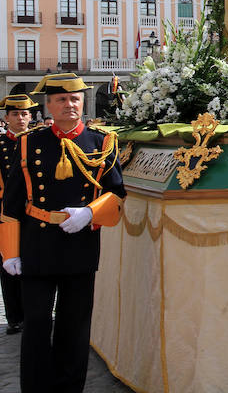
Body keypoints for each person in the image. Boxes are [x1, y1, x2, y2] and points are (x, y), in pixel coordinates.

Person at [0, 73, 126, 392]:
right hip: (37, 243)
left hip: (79, 244)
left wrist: (90, 213)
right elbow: (12, 200)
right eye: (61, 100)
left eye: (74, 99)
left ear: (82, 102)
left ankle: (70, 387)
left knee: (74, 325)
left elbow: (117, 193)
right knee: (38, 322)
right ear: (48, 106)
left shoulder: (102, 142)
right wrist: (10, 251)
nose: (69, 105)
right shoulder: (31, 142)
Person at [0, 94, 38, 335]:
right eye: (15, 114)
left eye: (24, 114)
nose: (20, 118)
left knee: (34, 263)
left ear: (31, 117)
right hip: (6, 214)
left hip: (33, 212)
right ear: (6, 118)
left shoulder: (38, 143)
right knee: (8, 265)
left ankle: (35, 314)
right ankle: (14, 317)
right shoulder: (1, 146)